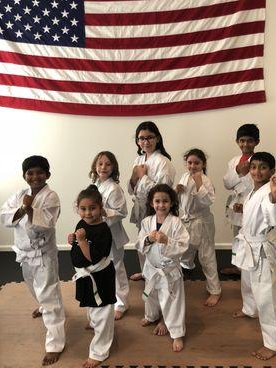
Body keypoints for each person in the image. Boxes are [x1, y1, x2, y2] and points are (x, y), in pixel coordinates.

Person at [0, 155, 65, 366]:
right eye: (30, 173)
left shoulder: (51, 197)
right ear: (24, 176)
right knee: (32, 287)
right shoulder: (21, 194)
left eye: (40, 172)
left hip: (43, 255)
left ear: (47, 174)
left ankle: (54, 345)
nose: (35, 176)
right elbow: (4, 215)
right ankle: (43, 306)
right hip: (24, 253)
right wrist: (21, 208)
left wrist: (30, 210)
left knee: (49, 295)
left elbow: (46, 225)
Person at [231, 152, 276, 360]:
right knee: (247, 281)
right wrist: (243, 209)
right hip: (248, 244)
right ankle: (249, 308)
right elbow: (255, 214)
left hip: (261, 249)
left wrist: (274, 195)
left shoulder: (270, 191)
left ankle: (273, 343)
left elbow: (274, 216)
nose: (257, 171)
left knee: (267, 297)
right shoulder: (253, 190)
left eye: (263, 167)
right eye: (253, 167)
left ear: (271, 171)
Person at [135, 184, 189, 352]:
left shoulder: (176, 223)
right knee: (151, 294)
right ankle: (151, 316)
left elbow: (183, 245)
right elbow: (139, 244)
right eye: (157, 201)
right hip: (152, 268)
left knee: (171, 300)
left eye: (165, 201)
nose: (161, 205)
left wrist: (167, 242)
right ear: (152, 203)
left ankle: (176, 332)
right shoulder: (146, 222)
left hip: (168, 270)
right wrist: (148, 240)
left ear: (172, 203)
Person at [68, 185, 116, 368]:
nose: (88, 213)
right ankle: (94, 322)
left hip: (100, 276)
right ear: (78, 209)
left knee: (102, 310)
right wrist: (73, 239)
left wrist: (80, 241)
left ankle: (99, 352)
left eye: (92, 208)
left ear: (100, 207)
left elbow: (92, 256)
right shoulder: (82, 224)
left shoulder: (104, 230)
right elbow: (79, 246)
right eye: (83, 208)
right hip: (85, 276)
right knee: (91, 304)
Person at [128, 121, 176, 281]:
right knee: (143, 240)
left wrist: (143, 176)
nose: (145, 142)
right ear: (137, 141)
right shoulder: (138, 160)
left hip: (158, 209)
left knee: (157, 242)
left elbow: (163, 190)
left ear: (157, 139)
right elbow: (131, 189)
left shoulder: (163, 162)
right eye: (141, 138)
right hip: (141, 206)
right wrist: (135, 178)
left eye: (149, 137)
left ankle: (159, 277)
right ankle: (145, 272)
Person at [176, 149, 221, 306]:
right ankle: (187, 266)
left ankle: (215, 290)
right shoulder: (184, 176)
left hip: (201, 222)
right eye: (189, 162)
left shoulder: (205, 180)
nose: (192, 166)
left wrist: (199, 183)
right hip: (186, 220)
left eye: (196, 163)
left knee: (206, 256)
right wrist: (176, 191)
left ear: (203, 164)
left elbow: (208, 201)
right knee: (184, 247)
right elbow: (180, 198)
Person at [89, 151, 129, 320]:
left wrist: (103, 213)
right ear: (94, 167)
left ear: (113, 168)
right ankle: (106, 297)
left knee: (116, 268)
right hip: (98, 235)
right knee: (101, 267)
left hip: (112, 235)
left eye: (107, 164)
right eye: (100, 164)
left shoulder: (114, 188)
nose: (103, 167)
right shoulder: (95, 186)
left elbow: (122, 212)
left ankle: (122, 303)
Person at [222, 124, 260, 275]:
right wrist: (238, 170)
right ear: (237, 141)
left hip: (251, 204)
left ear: (257, 142)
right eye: (242, 140)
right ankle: (238, 267)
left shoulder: (259, 160)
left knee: (250, 237)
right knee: (237, 236)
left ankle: (250, 268)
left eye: (250, 140)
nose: (245, 144)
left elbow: (256, 185)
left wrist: (243, 175)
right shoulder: (234, 161)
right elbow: (227, 183)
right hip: (236, 204)